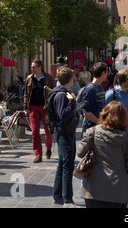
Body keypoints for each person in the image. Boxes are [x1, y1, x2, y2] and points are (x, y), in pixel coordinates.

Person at [77, 101, 128, 208]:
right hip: (120, 188)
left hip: (94, 188)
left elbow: (80, 152)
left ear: (104, 114)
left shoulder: (93, 132)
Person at [51, 67, 78, 208]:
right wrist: (72, 102)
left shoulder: (63, 93)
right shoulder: (62, 95)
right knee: (67, 166)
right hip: (65, 134)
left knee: (63, 164)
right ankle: (67, 200)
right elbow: (63, 115)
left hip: (67, 133)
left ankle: (57, 196)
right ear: (70, 79)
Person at [24, 59, 56, 163]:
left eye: (33, 67)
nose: (31, 69)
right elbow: (26, 94)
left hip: (45, 107)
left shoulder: (49, 78)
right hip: (33, 107)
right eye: (31, 67)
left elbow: (55, 92)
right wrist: (26, 108)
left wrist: (49, 90)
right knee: (34, 132)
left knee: (48, 131)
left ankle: (49, 147)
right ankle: (38, 154)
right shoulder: (29, 78)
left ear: (40, 67)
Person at [81, 62, 107, 130]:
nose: (107, 75)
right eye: (106, 72)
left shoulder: (100, 87)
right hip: (92, 129)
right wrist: (100, 122)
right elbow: (86, 112)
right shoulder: (90, 89)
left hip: (100, 127)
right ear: (103, 73)